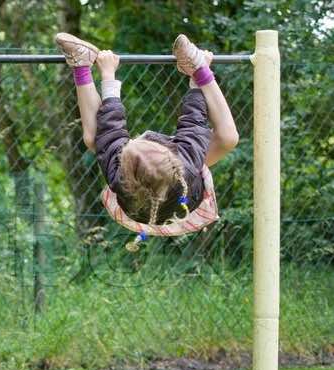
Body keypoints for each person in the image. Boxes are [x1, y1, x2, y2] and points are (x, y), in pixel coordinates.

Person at [55, 33, 239, 251]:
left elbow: (110, 129)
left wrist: (108, 75)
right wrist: (198, 77)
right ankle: (198, 66)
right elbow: (194, 123)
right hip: (188, 199)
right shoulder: (187, 166)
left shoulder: (118, 175)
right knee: (229, 138)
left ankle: (82, 63)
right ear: (172, 154)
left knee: (94, 138)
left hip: (138, 206)